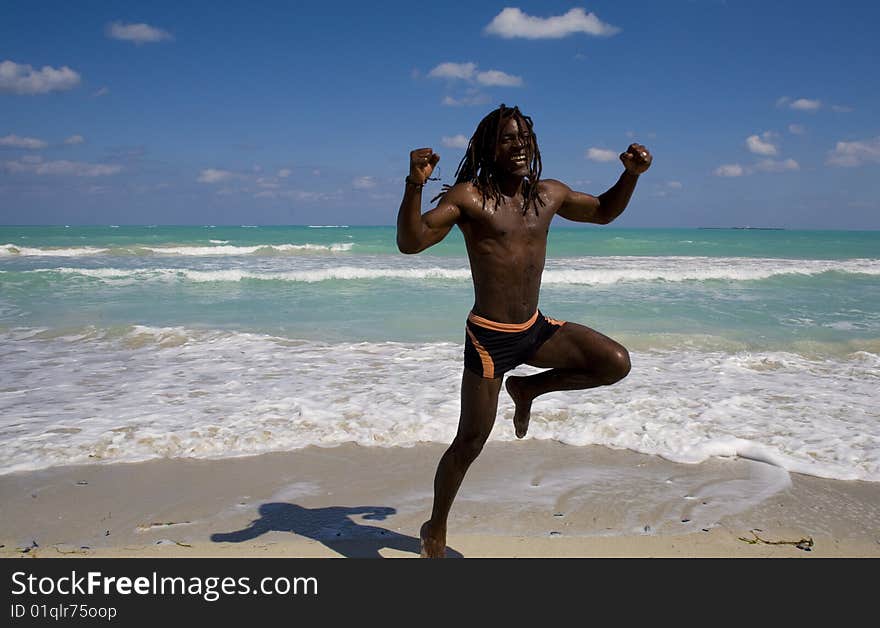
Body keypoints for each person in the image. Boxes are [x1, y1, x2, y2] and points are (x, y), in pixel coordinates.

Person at [396, 104, 652, 557]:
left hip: (534, 329)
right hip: (490, 339)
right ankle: (435, 526)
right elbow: (411, 242)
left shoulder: (547, 195)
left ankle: (529, 390)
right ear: (489, 148)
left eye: (523, 139)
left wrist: (630, 175)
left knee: (615, 363)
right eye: (507, 139)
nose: (518, 146)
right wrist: (415, 184)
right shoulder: (468, 198)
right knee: (470, 442)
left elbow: (603, 212)